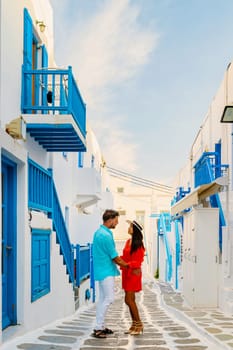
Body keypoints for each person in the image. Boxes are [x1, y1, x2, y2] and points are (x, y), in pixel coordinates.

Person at [92, 209, 129, 339]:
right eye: (116, 220)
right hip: (106, 271)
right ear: (111, 219)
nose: (117, 223)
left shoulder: (99, 232)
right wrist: (128, 266)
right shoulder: (105, 235)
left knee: (102, 299)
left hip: (101, 270)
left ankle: (100, 326)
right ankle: (98, 328)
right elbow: (115, 257)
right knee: (109, 298)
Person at [121, 220, 145, 335]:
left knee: (129, 300)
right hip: (126, 273)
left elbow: (138, 261)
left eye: (130, 226)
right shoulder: (128, 242)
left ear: (135, 230)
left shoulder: (138, 244)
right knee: (129, 300)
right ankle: (134, 324)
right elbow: (125, 256)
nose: (128, 228)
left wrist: (127, 264)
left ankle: (139, 324)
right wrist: (116, 259)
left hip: (133, 273)